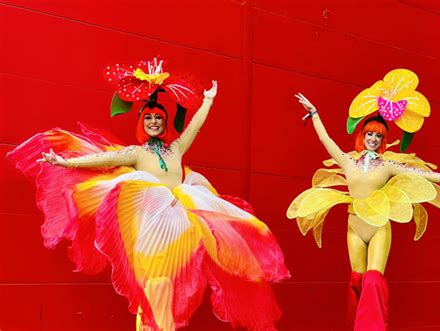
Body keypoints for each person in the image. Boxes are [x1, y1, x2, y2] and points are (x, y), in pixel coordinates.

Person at [8, 57, 289, 331]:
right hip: (150, 231)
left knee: (173, 284)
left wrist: (209, 101)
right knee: (152, 287)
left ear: (164, 123)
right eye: (149, 118)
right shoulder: (137, 153)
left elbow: (195, 127)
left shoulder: (176, 149)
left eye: (158, 118)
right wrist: (66, 162)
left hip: (178, 228)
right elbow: (102, 161)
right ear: (142, 123)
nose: (154, 121)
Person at [287, 69, 440, 330]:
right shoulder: (347, 161)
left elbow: (422, 174)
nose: (373, 139)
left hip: (378, 228)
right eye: (369, 134)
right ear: (362, 137)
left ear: (383, 140)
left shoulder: (387, 166)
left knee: (374, 280)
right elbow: (325, 139)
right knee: (357, 280)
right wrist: (315, 114)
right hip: (354, 225)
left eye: (378, 136)